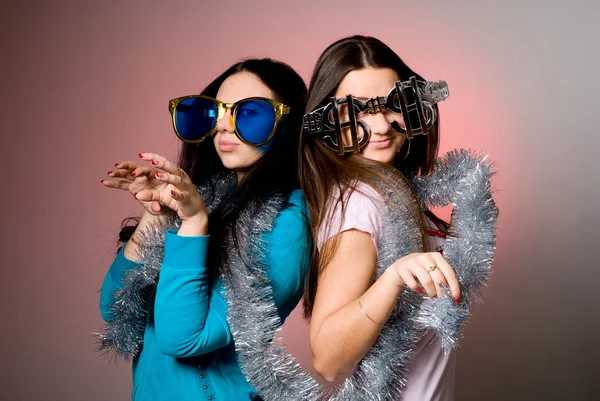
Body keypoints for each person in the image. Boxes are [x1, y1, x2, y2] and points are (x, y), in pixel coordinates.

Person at [298, 35, 497, 400]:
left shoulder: (393, 192)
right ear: (328, 120)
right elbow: (327, 359)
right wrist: (393, 277)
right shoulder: (361, 200)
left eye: (391, 104)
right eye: (357, 110)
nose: (381, 125)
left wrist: (472, 221)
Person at [98, 58, 309, 401]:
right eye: (218, 111)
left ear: (286, 123)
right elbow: (116, 309)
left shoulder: (290, 220)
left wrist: (195, 222)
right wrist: (159, 214)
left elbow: (182, 339)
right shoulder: (208, 197)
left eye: (249, 112)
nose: (224, 126)